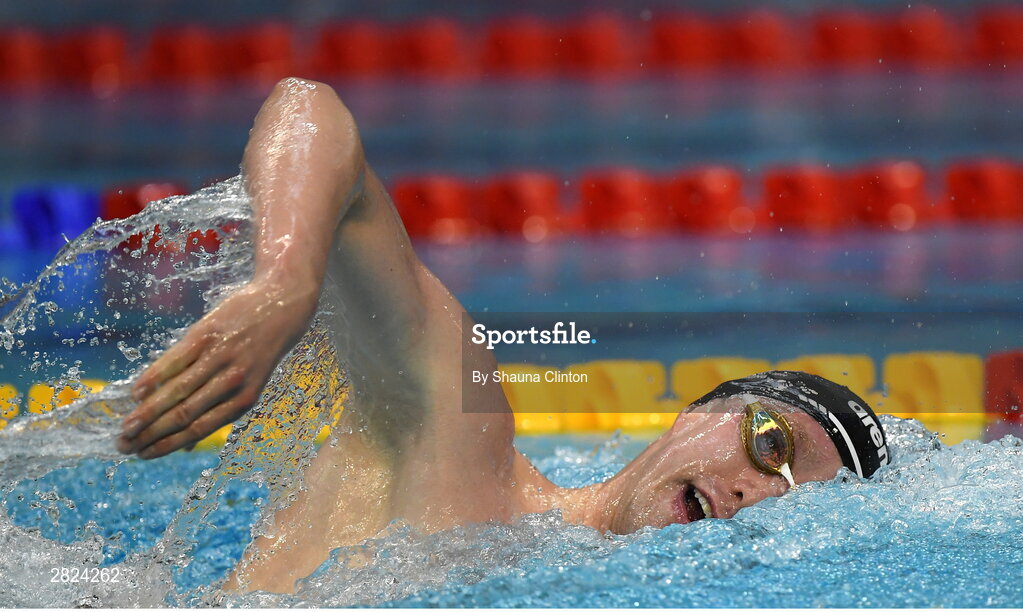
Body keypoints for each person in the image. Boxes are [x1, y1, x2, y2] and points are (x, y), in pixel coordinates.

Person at [114, 78, 889, 594]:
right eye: (769, 446)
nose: (755, 496)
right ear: (700, 413)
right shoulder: (463, 440)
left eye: (790, 505)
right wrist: (284, 281)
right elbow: (311, 111)